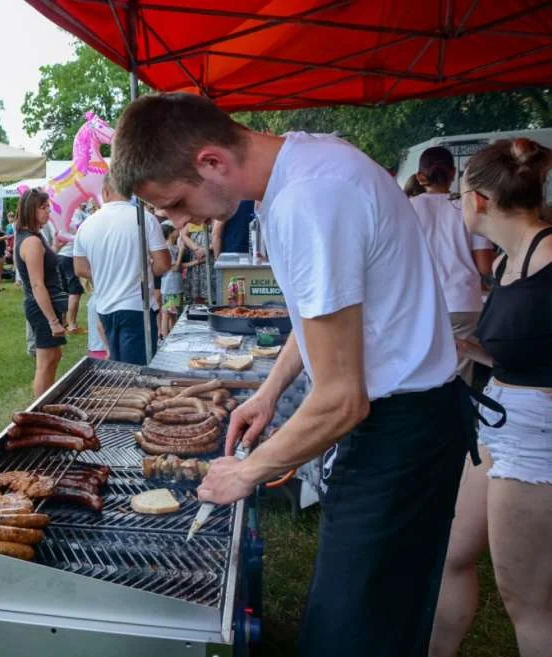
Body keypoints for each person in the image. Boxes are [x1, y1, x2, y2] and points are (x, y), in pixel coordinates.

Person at [113, 92, 469, 657]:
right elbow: (321, 317)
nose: (181, 223)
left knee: (353, 632)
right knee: (370, 612)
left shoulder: (310, 199)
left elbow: (342, 400)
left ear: (211, 162)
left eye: (177, 202)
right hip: (404, 421)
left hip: (404, 430)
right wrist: (270, 391)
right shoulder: (302, 165)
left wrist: (247, 472)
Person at [429, 138, 552, 657]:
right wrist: (459, 346)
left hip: (538, 436)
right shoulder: (507, 262)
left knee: (526, 599)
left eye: (460, 195)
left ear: (477, 199)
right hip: (500, 420)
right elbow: (523, 350)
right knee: (452, 553)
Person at [409, 146, 495, 383]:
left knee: (424, 369)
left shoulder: (407, 207)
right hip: (463, 301)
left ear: (420, 176)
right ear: (454, 174)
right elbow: (485, 266)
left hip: (421, 302)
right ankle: (461, 417)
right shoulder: (468, 208)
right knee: (460, 375)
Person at [73, 174, 170, 365]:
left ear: (105, 192)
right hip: (137, 306)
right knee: (137, 372)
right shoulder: (145, 219)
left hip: (105, 306)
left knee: (118, 368)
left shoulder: (86, 225)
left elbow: (80, 268)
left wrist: (106, 273)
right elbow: (163, 264)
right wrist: (143, 270)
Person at [15, 188, 67, 396]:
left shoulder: (34, 237)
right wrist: (53, 321)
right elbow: (37, 284)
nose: (48, 212)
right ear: (31, 210)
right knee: (45, 362)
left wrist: (55, 246)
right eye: (44, 208)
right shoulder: (32, 241)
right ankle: (38, 410)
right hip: (42, 307)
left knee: (54, 356)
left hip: (45, 304)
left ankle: (47, 402)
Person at [56, 204, 87, 333]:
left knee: (64, 290)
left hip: (60, 255)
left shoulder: (60, 218)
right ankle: (72, 324)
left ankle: (63, 321)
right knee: (75, 291)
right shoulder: (75, 217)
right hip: (69, 256)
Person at [159, 223, 185, 337]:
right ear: (170, 234)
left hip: (175, 285)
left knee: (173, 313)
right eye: (175, 229)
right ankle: (164, 337)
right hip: (170, 286)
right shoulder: (168, 249)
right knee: (167, 313)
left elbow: (181, 266)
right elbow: (175, 267)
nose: (177, 231)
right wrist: (181, 252)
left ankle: (172, 335)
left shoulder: (173, 247)